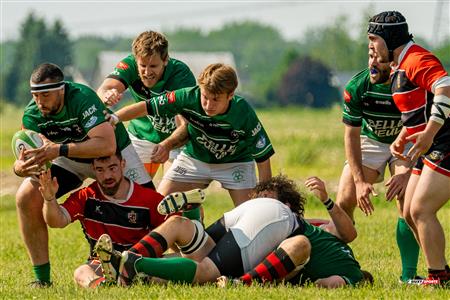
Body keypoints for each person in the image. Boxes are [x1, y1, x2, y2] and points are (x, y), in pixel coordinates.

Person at [13, 63, 153, 287]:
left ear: (62, 89)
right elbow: (25, 156)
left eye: (45, 95)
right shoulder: (33, 113)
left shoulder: (82, 97)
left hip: (111, 155)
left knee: (152, 206)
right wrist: (19, 168)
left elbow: (106, 145)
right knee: (25, 197)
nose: (39, 102)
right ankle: (41, 280)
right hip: (69, 157)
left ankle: (158, 263)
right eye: (35, 95)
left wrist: (59, 149)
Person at [108, 63, 274, 206]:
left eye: (215, 99)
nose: (208, 105)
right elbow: (145, 107)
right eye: (205, 97)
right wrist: (114, 118)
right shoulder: (187, 96)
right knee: (159, 205)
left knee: (250, 214)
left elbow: (263, 159)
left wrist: (265, 196)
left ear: (230, 95)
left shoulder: (243, 111)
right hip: (195, 159)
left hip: (235, 163)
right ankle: (191, 218)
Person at [95, 175, 302, 286]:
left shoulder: (268, 209)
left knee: (182, 229)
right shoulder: (290, 217)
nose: (262, 197)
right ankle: (132, 264)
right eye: (261, 194)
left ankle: (191, 215)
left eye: (267, 194)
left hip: (241, 215)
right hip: (264, 220)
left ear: (287, 204)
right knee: (206, 272)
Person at [368, 11, 450, 285]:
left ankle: (438, 277)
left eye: (374, 39)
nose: (370, 46)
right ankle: (440, 272)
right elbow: (420, 108)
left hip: (444, 141)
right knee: (408, 212)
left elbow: (445, 86)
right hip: (429, 143)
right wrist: (404, 135)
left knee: (421, 209)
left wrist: (428, 133)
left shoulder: (416, 59)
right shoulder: (399, 65)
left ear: (390, 39)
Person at [337, 48, 419, 282]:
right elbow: (351, 136)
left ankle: (408, 277)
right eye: (370, 57)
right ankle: (342, 265)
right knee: (344, 197)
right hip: (370, 140)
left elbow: (417, 125)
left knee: (407, 201)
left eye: (379, 60)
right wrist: (360, 181)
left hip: (405, 141)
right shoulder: (358, 86)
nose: (373, 63)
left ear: (393, 64)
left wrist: (405, 174)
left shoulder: (407, 84)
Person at [38, 153, 166, 288]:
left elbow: (174, 225)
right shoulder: (86, 197)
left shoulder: (148, 198)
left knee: (181, 262)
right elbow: (56, 222)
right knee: (81, 272)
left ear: (123, 164)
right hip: (102, 265)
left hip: (141, 261)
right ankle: (102, 286)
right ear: (93, 169)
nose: (107, 176)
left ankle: (132, 278)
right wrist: (49, 199)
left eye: (112, 168)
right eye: (100, 170)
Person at [220, 177, 371, 289]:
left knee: (298, 246)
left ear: (286, 206)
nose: (261, 204)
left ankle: (241, 282)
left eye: (266, 197)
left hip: (296, 262)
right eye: (258, 199)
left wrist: (326, 199)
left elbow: (349, 233)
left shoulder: (310, 226)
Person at [97, 30, 196, 178]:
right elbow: (104, 89)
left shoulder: (181, 75)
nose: (147, 72)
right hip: (141, 135)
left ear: (165, 60)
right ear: (135, 60)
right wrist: (107, 95)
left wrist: (168, 145)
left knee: (171, 194)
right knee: (127, 190)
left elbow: (184, 124)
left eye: (154, 66)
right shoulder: (129, 64)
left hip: (174, 139)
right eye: (142, 66)